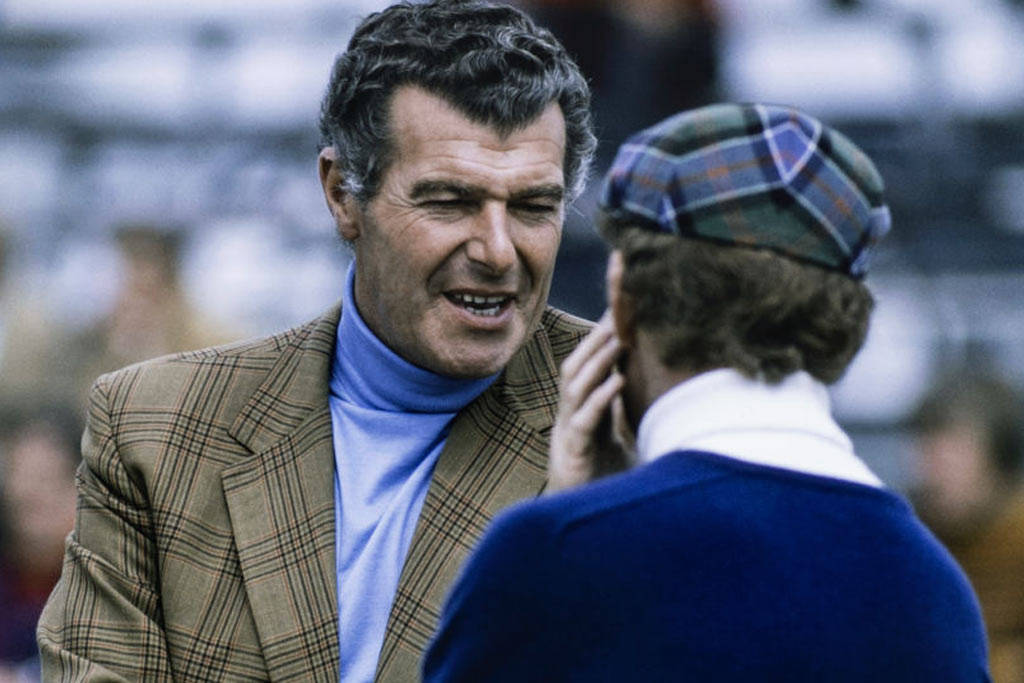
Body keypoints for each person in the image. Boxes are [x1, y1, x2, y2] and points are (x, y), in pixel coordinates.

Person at [37, 1, 596, 680]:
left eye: (534, 206)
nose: (498, 249)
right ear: (341, 195)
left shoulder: (634, 418)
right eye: (449, 201)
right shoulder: (156, 428)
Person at [424, 103, 991, 681]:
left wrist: (571, 514)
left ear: (623, 299)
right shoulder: (934, 592)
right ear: (845, 321)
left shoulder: (551, 555)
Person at [911, 367, 1024, 682]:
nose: (934, 472)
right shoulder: (910, 543)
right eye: (928, 452)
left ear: (1000, 463)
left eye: (956, 453)